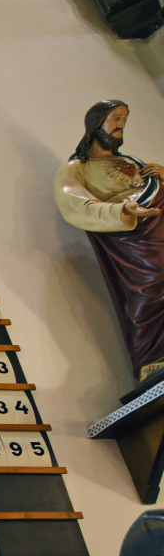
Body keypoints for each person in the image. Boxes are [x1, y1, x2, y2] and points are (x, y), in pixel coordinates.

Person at [55, 100, 164, 381]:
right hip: (132, 238)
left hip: (158, 223)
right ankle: (151, 359)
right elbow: (76, 206)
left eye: (124, 119)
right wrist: (122, 210)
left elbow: (154, 191)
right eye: (115, 118)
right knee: (151, 283)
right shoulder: (77, 168)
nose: (120, 125)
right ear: (96, 124)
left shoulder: (133, 163)